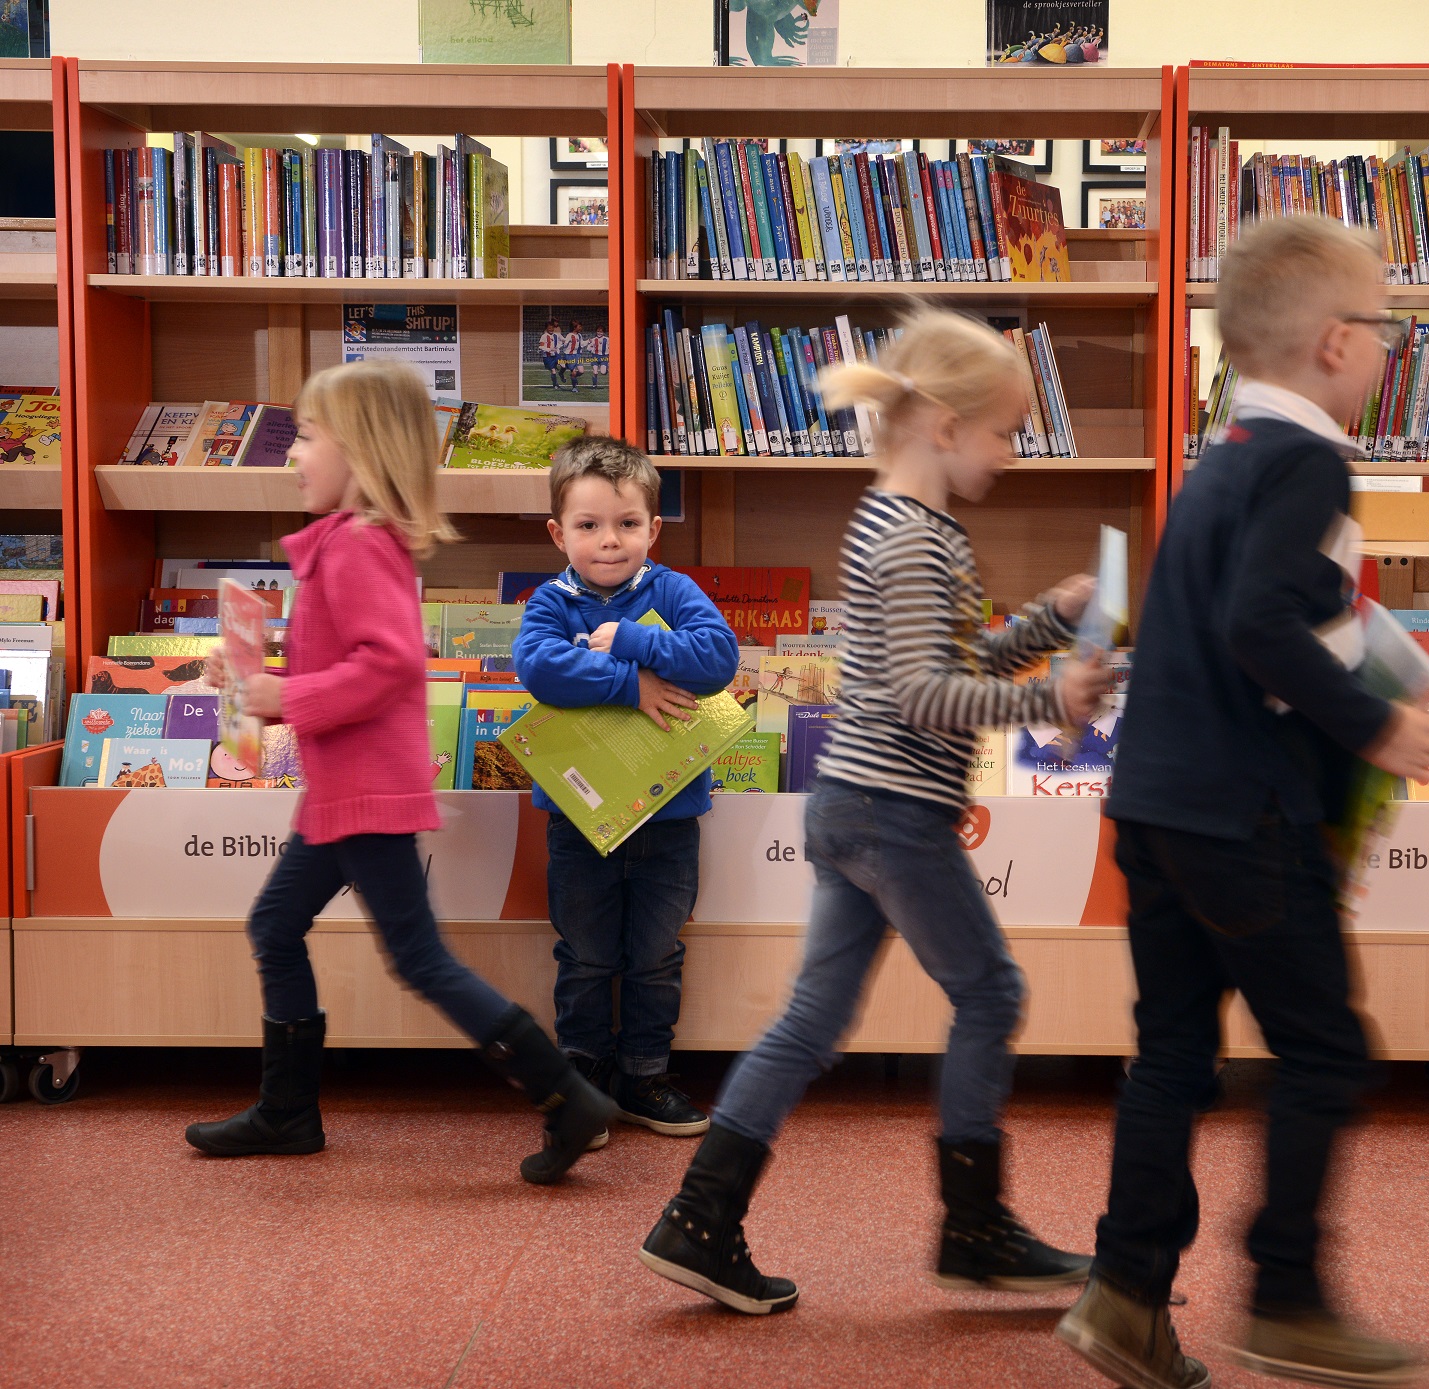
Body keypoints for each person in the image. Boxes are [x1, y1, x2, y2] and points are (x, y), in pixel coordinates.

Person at [638, 310, 1113, 1315]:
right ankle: (973, 1232)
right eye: (1005, 431)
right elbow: (919, 698)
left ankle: (699, 1219)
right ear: (941, 424)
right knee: (989, 993)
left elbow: (948, 668)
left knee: (811, 1019)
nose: (1014, 454)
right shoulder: (911, 541)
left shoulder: (902, 526)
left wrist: (1041, 626)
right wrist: (1048, 699)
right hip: (894, 811)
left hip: (853, 805)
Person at [1055, 217, 1429, 1388]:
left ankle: (1124, 1295)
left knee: (1170, 1054)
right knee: (1326, 1051)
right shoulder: (1309, 462)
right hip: (1240, 820)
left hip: (1157, 811)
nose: (1388, 349)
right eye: (1383, 328)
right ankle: (1284, 1297)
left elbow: (1229, 625)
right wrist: (1376, 723)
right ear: (1335, 344)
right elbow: (1255, 626)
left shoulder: (1218, 454)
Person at [183, 361, 617, 1186]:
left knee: (417, 959)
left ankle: (567, 1095)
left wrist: (286, 691)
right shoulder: (345, 546)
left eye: (309, 436)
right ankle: (288, 1110)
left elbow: (388, 664)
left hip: (364, 795)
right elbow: (340, 663)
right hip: (343, 790)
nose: (295, 454)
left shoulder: (356, 547)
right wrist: (249, 678)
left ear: (362, 449)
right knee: (278, 927)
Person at [512, 436, 739, 1138]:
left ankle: (644, 1074)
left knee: (657, 953)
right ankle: (580, 1082)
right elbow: (540, 668)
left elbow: (717, 659)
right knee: (584, 954)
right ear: (558, 532)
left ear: (652, 528)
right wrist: (631, 686)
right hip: (579, 821)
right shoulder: (550, 601)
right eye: (588, 526)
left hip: (669, 819)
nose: (609, 542)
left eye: (627, 524)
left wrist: (633, 641)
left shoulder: (671, 589)